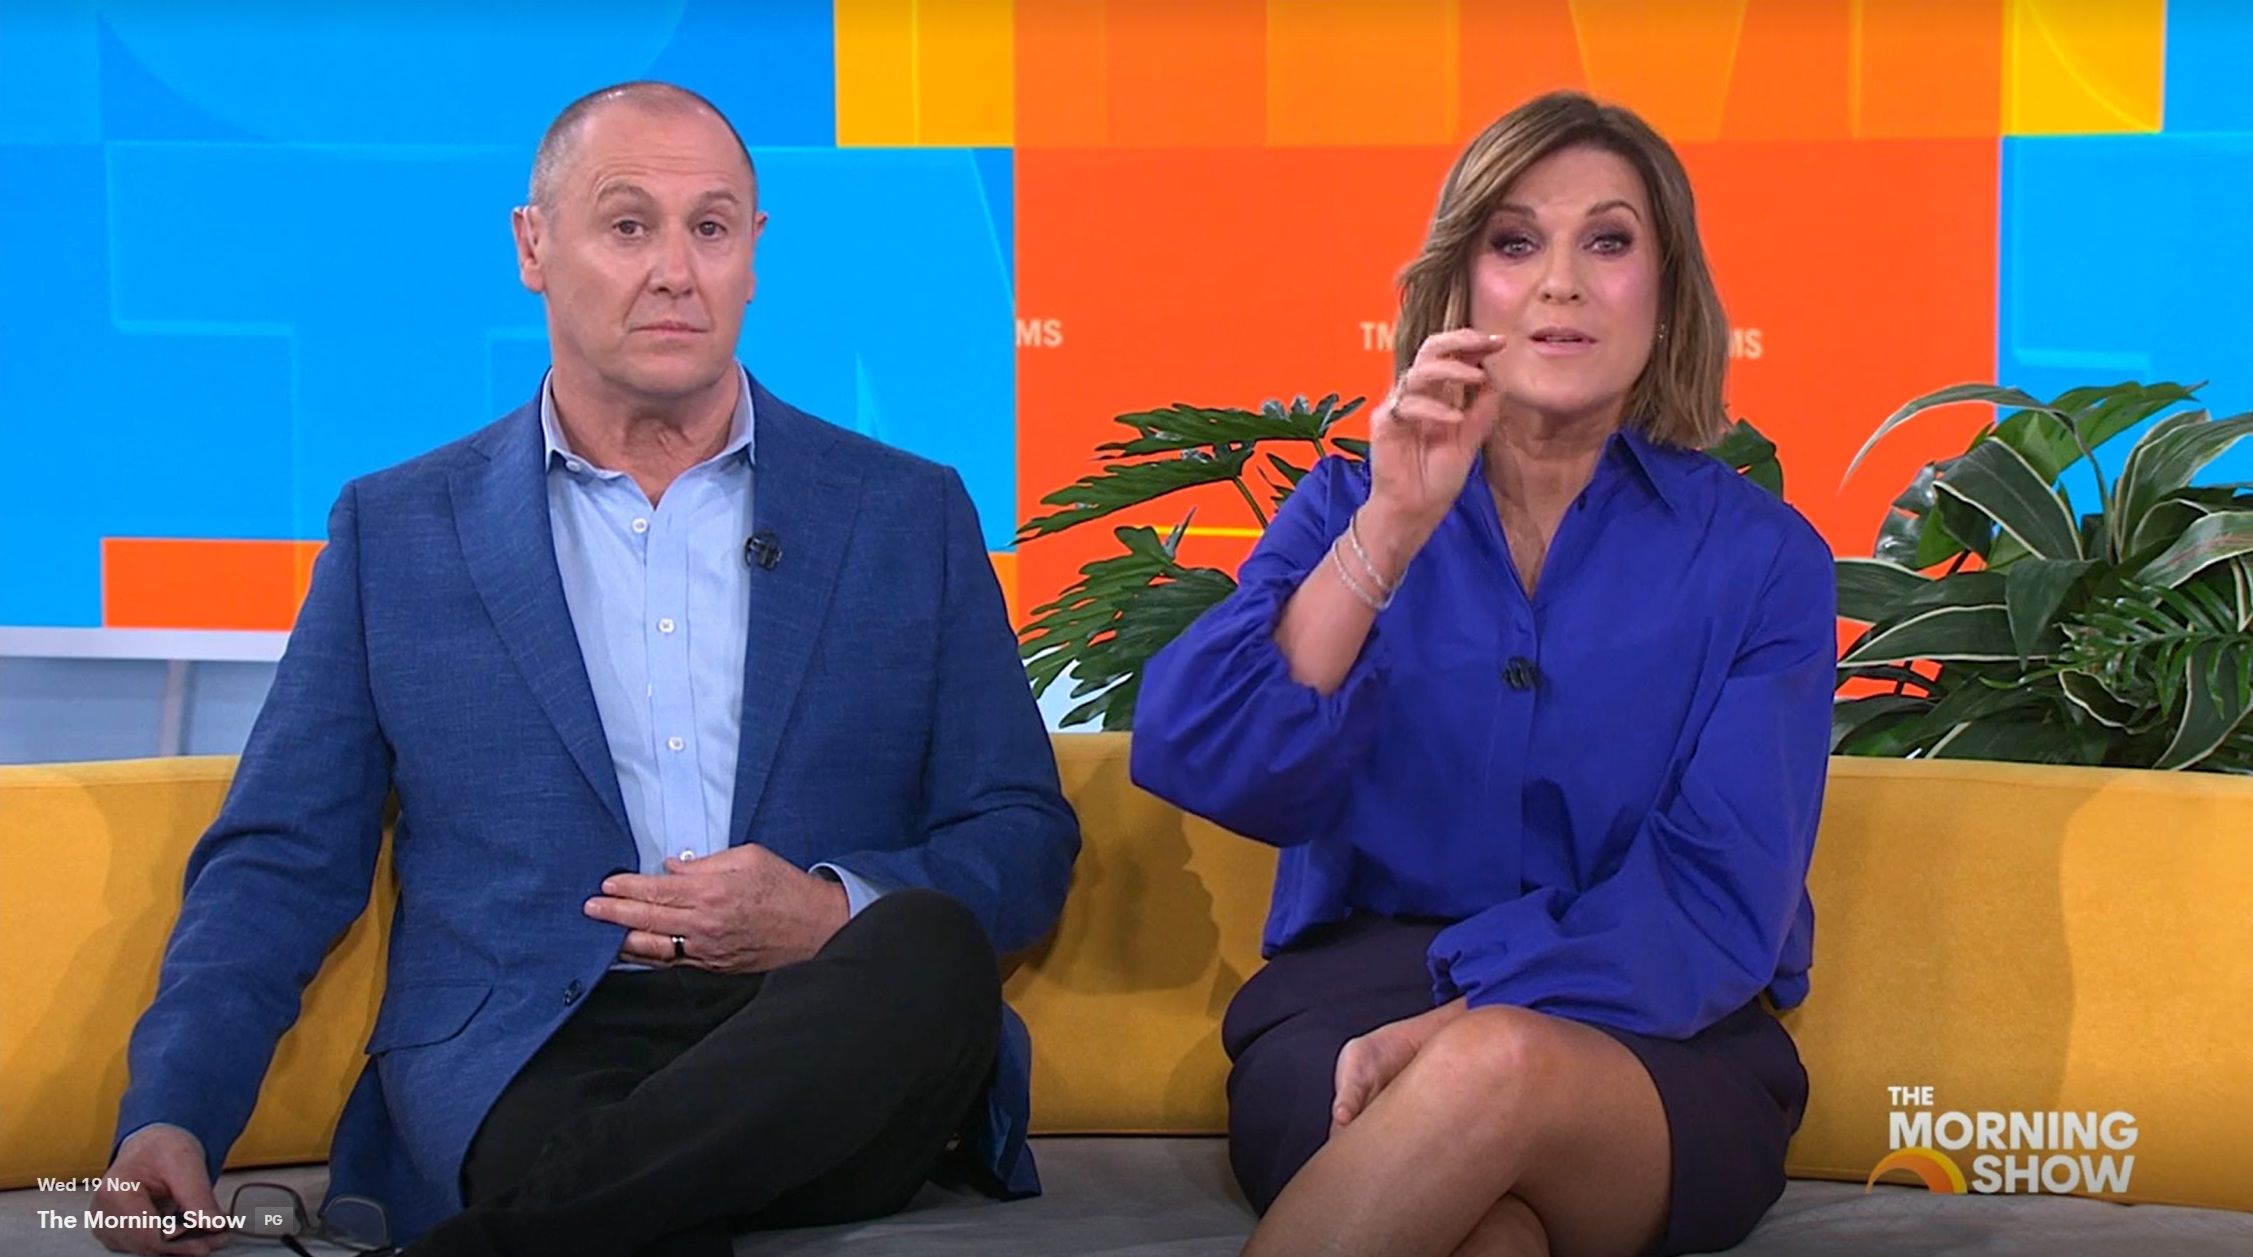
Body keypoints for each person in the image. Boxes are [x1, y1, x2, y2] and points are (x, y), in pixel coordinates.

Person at [89, 81, 1079, 1257]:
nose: (675, 271)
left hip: (826, 1028)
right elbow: (281, 861)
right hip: (535, 1048)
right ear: (534, 247)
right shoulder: (398, 531)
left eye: (710, 228)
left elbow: (1020, 833)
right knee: (614, 1179)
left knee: (928, 947)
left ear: (753, 256)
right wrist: (173, 1115)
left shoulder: (905, 513)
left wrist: (822, 912)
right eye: (627, 225)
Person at [1131, 90, 1835, 1257]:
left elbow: (1717, 894)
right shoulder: (1348, 509)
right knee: (1489, 1240)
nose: (1560, 282)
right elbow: (1204, 753)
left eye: (1607, 242)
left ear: (1666, 295)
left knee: (1495, 1061)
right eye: (1516, 243)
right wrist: (1392, 528)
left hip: (1658, 1027)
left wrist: (1460, 1026)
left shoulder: (1764, 561)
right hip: (1348, 1017)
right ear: (1461, 289)